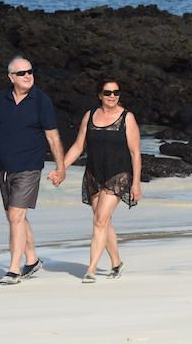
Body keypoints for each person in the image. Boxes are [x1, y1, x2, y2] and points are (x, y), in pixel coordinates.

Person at [0, 56, 66, 286]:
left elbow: (52, 137)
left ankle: (14, 269)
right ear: (11, 77)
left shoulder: (41, 101)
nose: (28, 76)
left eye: (30, 71)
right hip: (4, 166)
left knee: (16, 216)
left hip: (30, 166)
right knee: (15, 217)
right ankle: (33, 260)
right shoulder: (0, 99)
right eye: (22, 73)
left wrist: (61, 167)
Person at [60, 78, 142, 283]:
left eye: (116, 92)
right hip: (94, 174)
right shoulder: (90, 116)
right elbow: (79, 146)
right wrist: (61, 168)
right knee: (104, 221)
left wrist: (136, 183)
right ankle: (116, 263)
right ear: (99, 95)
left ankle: (91, 269)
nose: (112, 96)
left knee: (99, 221)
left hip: (118, 174)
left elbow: (135, 153)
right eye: (108, 93)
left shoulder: (127, 118)